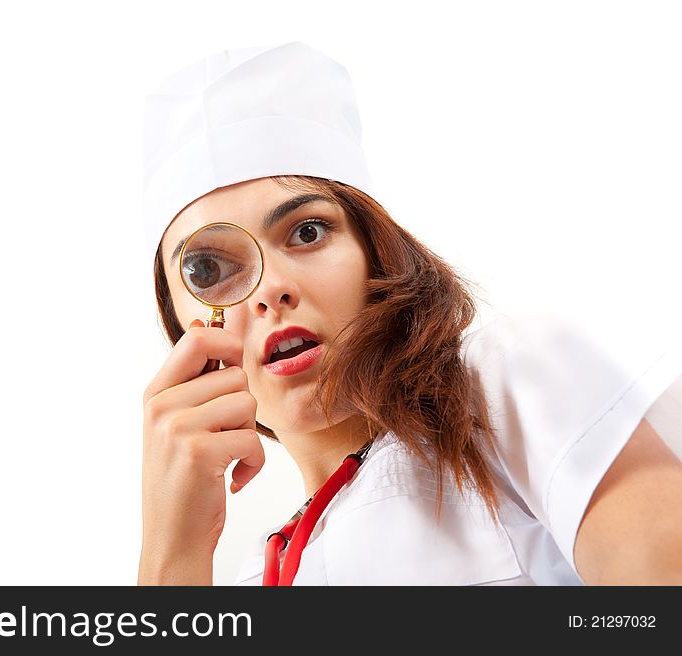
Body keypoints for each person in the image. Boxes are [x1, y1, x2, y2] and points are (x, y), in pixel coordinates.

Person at [137, 41, 682, 585]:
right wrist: (175, 546)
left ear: (376, 252)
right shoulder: (258, 579)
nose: (272, 288)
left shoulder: (506, 388)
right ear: (181, 326)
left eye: (307, 232)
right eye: (208, 270)